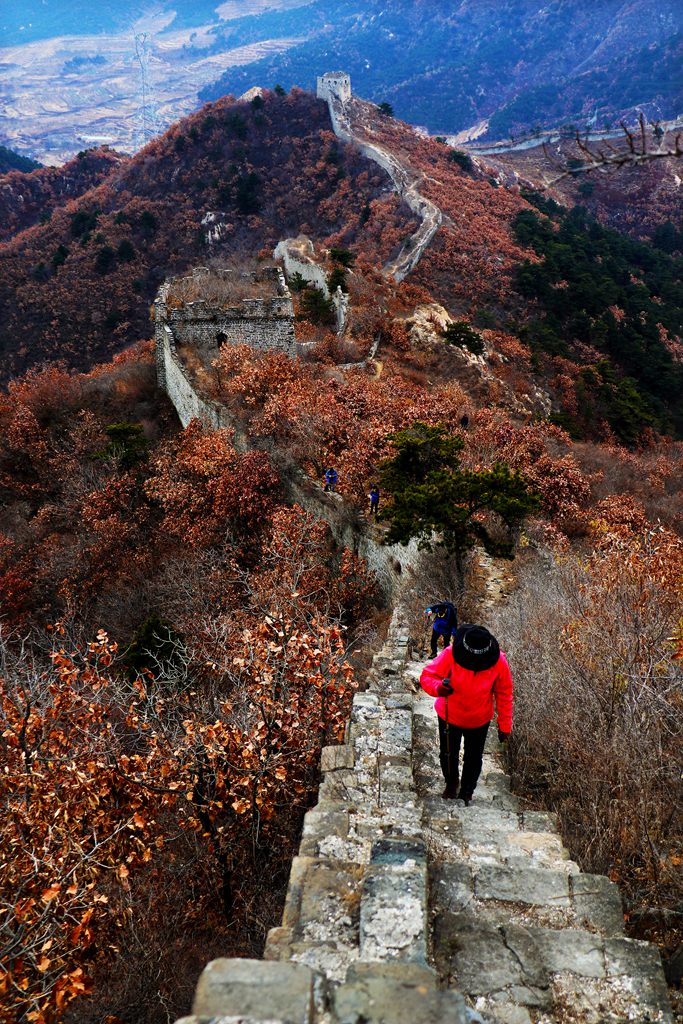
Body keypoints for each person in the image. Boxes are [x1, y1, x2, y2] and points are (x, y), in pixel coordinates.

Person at [420, 624, 513, 804]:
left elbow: (504, 693)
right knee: (447, 754)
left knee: (473, 758)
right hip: (449, 714)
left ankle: (467, 792)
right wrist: (439, 688)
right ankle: (451, 783)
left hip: (479, 719)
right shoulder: (450, 653)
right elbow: (427, 676)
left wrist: (504, 725)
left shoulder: (499, 662)